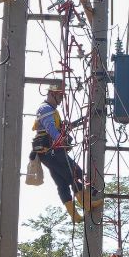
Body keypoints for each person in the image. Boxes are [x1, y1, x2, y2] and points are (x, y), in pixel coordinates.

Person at [31, 83, 88, 218]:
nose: (61, 99)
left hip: (48, 152)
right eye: (60, 96)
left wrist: (66, 128)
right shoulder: (45, 109)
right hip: (51, 151)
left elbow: (54, 128)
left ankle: (74, 214)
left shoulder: (50, 109)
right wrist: (60, 139)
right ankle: (86, 202)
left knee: (62, 182)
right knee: (75, 173)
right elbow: (50, 128)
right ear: (51, 94)